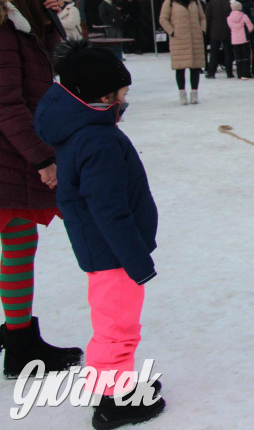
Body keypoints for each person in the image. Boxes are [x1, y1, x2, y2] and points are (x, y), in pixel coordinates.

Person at [34, 41, 165, 427]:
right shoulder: (98, 140)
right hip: (114, 254)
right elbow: (108, 209)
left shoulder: (82, 129)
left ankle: (113, 384)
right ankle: (115, 403)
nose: (126, 100)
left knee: (111, 323)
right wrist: (135, 259)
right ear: (105, 95)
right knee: (119, 328)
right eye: (123, 94)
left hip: (104, 251)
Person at [0, 0, 83, 378]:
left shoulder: (21, 22)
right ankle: (18, 343)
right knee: (15, 238)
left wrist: (51, 25)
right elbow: (7, 104)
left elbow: (58, 70)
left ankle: (19, 339)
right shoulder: (2, 28)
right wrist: (40, 158)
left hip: (16, 151)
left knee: (18, 240)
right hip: (12, 152)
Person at [159, 0, 207, 104]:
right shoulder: (170, 0)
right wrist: (172, 31)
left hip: (194, 38)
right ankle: (182, 94)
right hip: (179, 39)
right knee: (180, 68)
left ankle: (194, 93)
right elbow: (163, 19)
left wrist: (202, 29)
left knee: (195, 68)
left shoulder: (194, 0)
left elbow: (202, 17)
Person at [205, 0, 234, 78]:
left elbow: (207, 18)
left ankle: (211, 72)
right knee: (228, 52)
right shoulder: (231, 3)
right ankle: (229, 72)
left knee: (214, 53)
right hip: (228, 31)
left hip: (215, 32)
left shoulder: (212, 2)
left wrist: (208, 30)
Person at [227, 0, 254, 80]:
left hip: (234, 40)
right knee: (246, 56)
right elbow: (251, 27)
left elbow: (230, 27)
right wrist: (247, 32)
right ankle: (246, 73)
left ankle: (239, 73)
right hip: (244, 39)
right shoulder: (244, 16)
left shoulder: (229, 18)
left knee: (238, 57)